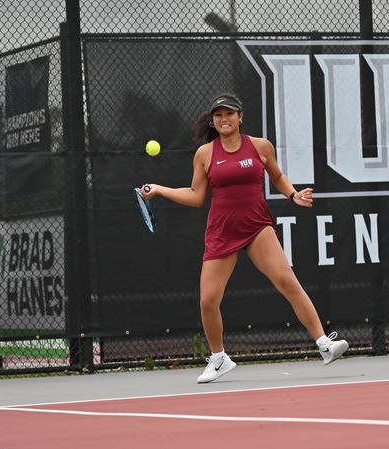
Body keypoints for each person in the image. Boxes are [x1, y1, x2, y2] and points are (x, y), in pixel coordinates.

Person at [141, 93, 349, 383]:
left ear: (240, 117)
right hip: (222, 230)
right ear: (213, 121)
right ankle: (219, 358)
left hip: (256, 226)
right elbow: (196, 196)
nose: (223, 119)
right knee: (208, 301)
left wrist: (292, 194)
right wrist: (161, 189)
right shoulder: (205, 154)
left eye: (229, 113)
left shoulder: (261, 146)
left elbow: (276, 175)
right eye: (218, 115)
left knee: (287, 281)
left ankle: (324, 344)